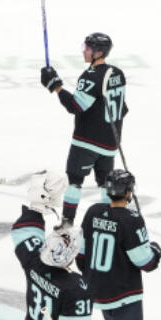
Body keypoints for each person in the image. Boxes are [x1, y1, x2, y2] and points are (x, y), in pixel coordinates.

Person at [75, 169, 160, 320]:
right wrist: (156, 251)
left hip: (96, 288)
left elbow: (81, 254)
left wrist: (92, 277)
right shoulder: (131, 220)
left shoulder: (92, 212)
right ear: (129, 192)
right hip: (122, 291)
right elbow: (145, 262)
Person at [39, 32, 126, 225]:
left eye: (88, 48)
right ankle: (110, 222)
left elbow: (75, 107)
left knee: (75, 182)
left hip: (86, 142)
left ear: (98, 52)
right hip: (110, 143)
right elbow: (123, 109)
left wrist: (56, 86)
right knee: (105, 184)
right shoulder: (118, 73)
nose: (84, 51)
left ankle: (67, 224)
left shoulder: (91, 76)